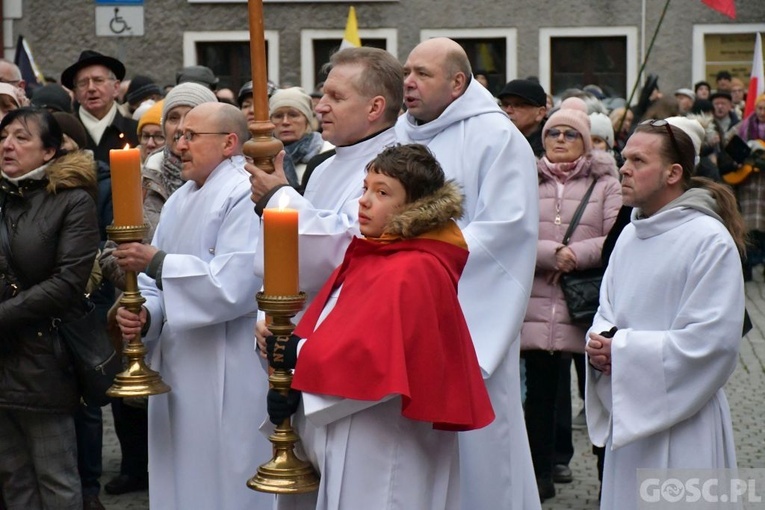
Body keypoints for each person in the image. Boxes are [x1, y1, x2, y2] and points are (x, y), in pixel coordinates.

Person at [266, 143, 495, 509]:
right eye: (365, 188)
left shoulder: (417, 268)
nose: (364, 201)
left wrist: (298, 354)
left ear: (414, 206)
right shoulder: (373, 252)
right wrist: (292, 383)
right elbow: (334, 324)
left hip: (383, 439)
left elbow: (378, 356)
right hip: (343, 427)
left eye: (382, 192)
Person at [396, 37, 541, 510]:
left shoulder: (498, 137)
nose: (409, 83)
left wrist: (419, 258)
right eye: (406, 72)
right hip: (404, 311)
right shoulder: (402, 134)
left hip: (468, 317)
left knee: (480, 460)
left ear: (458, 83)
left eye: (423, 74)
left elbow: (506, 233)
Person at [114, 102, 269, 510]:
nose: (178, 145)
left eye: (191, 136)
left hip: (229, 364)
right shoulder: (181, 198)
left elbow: (237, 283)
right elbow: (153, 284)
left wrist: (158, 262)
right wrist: (145, 314)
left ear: (229, 143)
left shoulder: (243, 193)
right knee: (180, 473)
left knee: (227, 478)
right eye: (177, 136)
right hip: (178, 364)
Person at [585, 117, 745, 510]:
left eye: (638, 160)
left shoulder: (709, 240)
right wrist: (603, 342)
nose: (624, 168)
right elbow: (608, 309)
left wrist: (621, 350)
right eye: (624, 158)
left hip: (689, 419)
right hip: (631, 415)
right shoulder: (629, 234)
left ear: (673, 173)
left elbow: (713, 344)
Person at [247, 46, 402, 310]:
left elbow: (349, 249)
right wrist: (272, 315)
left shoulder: (397, 170)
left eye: (336, 97)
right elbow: (291, 261)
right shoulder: (322, 167)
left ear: (374, 107)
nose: (320, 107)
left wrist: (277, 198)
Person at [0, 107, 100, 509]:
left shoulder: (72, 201)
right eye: (4, 135)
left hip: (43, 357)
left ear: (49, 151)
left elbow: (67, 284)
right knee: (13, 478)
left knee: (55, 477)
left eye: (22, 137)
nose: (8, 144)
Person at [520, 104, 621, 502]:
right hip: (538, 302)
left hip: (586, 305)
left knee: (599, 398)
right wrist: (549, 253)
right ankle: (538, 477)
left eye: (570, 134)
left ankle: (607, 479)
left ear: (585, 141)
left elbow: (617, 235)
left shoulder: (605, 182)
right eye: (553, 134)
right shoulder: (525, 179)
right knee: (540, 400)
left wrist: (574, 255)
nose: (560, 140)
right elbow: (512, 230)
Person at [269, 87, 332, 189]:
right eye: (278, 116)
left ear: (307, 121)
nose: (285, 122)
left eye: (293, 115)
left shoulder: (327, 153)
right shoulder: (261, 157)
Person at [736, 93, 765, 280]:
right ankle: (746, 268)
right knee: (747, 227)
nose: (763, 112)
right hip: (747, 184)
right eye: (760, 108)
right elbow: (731, 146)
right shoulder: (744, 126)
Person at [497, 79, 548, 157]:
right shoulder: (493, 140)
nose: (508, 110)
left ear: (540, 113)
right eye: (504, 104)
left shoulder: (554, 145)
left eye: (518, 105)